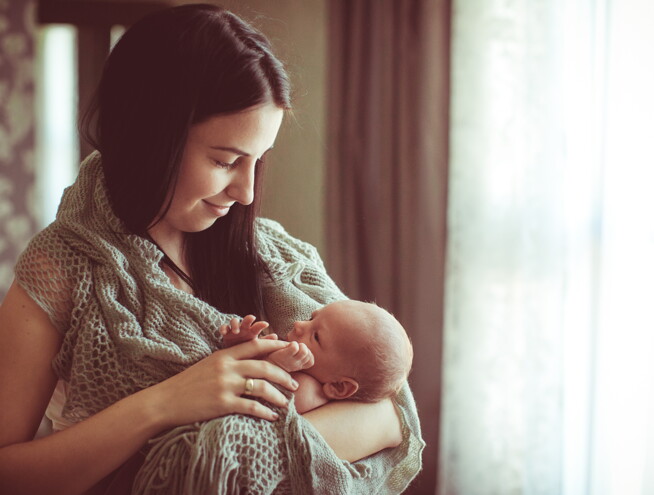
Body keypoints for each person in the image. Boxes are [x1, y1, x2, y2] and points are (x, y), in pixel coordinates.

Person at [0, 4, 423, 494]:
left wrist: (228, 452)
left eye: (257, 163)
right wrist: (167, 402)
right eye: (226, 161)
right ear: (151, 137)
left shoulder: (280, 255)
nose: (245, 192)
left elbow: (391, 415)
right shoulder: (59, 267)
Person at [220, 300, 414, 414]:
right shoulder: (301, 363)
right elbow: (240, 369)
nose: (298, 324)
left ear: (339, 387)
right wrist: (242, 344)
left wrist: (275, 364)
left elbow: (256, 404)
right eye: (312, 319)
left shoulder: (308, 392)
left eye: (316, 336)